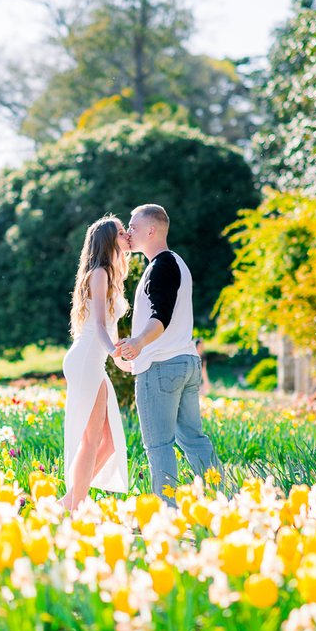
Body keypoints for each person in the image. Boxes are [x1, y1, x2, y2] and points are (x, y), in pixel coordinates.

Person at [115, 204, 220, 504]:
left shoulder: (160, 266)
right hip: (184, 362)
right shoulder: (177, 264)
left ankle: (165, 512)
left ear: (151, 230)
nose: (128, 233)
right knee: (193, 440)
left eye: (132, 227)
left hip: (161, 367)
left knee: (159, 445)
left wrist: (138, 343)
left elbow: (161, 317)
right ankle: (219, 502)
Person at [60, 215, 132, 510]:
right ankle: (74, 507)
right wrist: (116, 354)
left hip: (92, 359)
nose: (127, 234)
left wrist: (117, 359)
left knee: (111, 441)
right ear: (107, 240)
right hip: (88, 359)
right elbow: (101, 326)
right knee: (91, 439)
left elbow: (106, 327)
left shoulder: (109, 273)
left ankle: (68, 501)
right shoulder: (100, 273)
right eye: (121, 232)